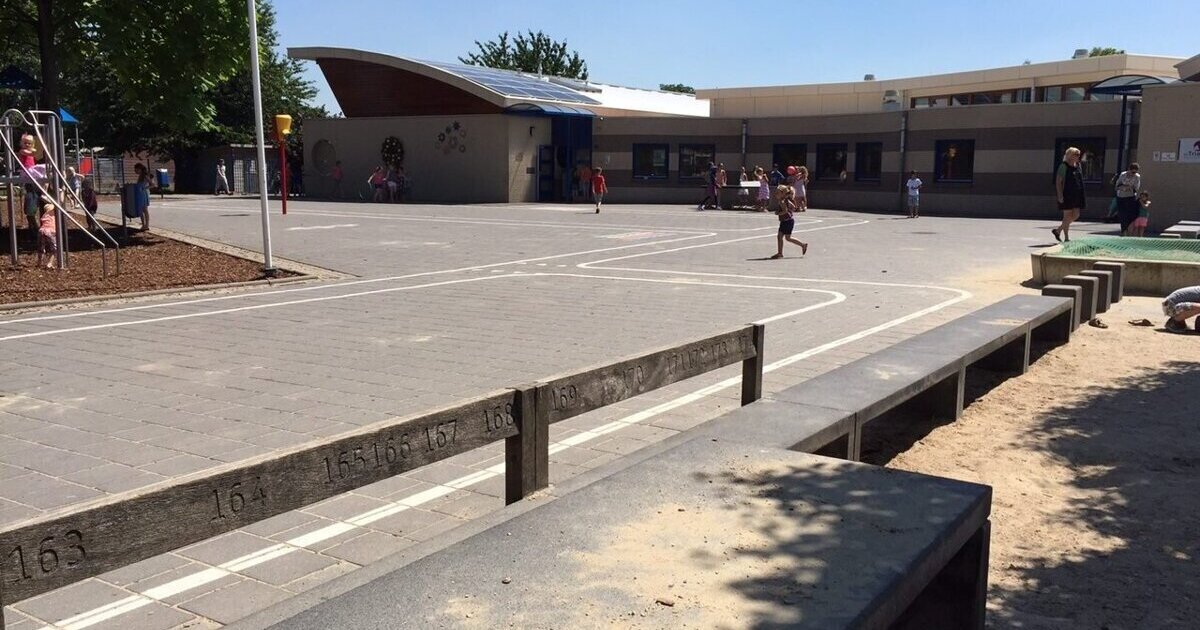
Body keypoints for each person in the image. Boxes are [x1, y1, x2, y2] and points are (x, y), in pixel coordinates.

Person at [1053, 147, 1085, 243]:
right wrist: (1060, 195)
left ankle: (1058, 230)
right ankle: (1066, 237)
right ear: (1070, 156)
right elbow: (1058, 182)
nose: (1078, 156)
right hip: (1067, 194)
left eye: (1079, 155)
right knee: (1067, 217)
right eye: (1076, 155)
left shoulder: (1078, 165)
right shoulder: (1063, 166)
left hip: (1077, 194)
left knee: (1076, 215)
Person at [770, 184, 808, 259]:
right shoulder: (785, 200)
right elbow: (793, 207)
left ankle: (781, 253)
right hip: (787, 221)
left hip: (787, 221)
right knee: (784, 237)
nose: (776, 194)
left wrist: (778, 213)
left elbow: (785, 211)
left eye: (778, 193)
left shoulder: (782, 201)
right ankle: (802, 245)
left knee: (783, 237)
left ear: (783, 194)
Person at [1113, 163, 1141, 235]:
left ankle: (1129, 230)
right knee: (1122, 215)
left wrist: (1130, 188)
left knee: (1130, 215)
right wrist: (1122, 187)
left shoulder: (1137, 177)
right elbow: (1117, 185)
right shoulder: (1123, 175)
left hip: (1130, 197)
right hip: (1121, 196)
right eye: (1132, 172)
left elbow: (1136, 188)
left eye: (1135, 172)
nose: (1133, 174)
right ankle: (1123, 231)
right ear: (1129, 169)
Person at [36, 196, 57, 269]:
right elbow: (57, 204)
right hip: (50, 231)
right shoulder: (53, 212)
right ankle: (49, 263)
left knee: (41, 247)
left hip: (41, 230)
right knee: (55, 249)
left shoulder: (45, 214)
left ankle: (39, 263)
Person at [134, 163, 152, 230]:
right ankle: (143, 224)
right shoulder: (140, 176)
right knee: (141, 210)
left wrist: (145, 188)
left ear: (140, 169)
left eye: (136, 169)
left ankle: (147, 225)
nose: (135, 171)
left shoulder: (145, 176)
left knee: (145, 210)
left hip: (143, 194)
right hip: (139, 194)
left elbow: (152, 184)